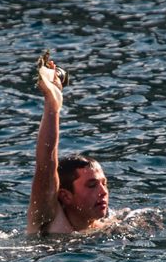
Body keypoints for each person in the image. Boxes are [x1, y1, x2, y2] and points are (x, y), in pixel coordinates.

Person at [27, 51, 112, 235]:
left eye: (104, 183)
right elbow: (46, 165)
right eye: (92, 185)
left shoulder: (108, 227)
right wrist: (52, 106)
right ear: (65, 196)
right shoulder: (49, 218)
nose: (103, 191)